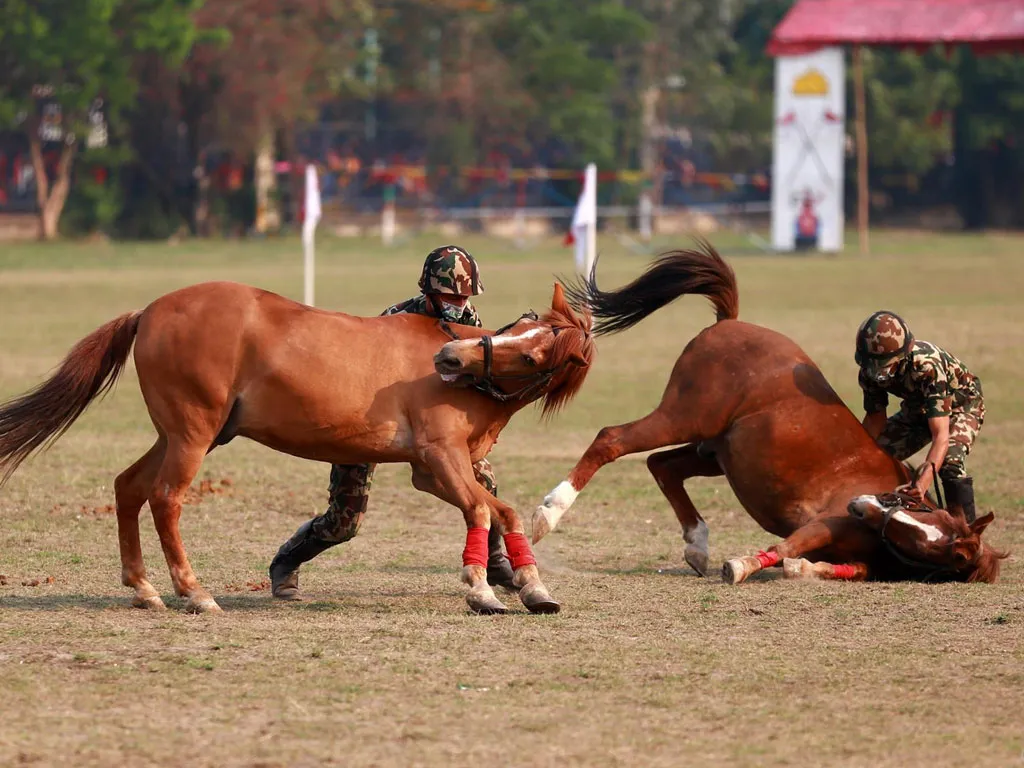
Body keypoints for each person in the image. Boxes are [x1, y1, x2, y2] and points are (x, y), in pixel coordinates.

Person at [269, 245, 516, 598]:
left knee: (484, 486)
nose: (458, 304)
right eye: (449, 295)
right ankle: (287, 562)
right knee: (345, 522)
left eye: (464, 296)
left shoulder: (470, 325)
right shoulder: (396, 317)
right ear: (429, 291)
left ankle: (494, 562)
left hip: (436, 430)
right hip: (370, 421)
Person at [855, 310, 984, 522]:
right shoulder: (869, 371)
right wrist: (858, 457)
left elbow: (940, 435)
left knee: (950, 463)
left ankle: (967, 535)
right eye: (872, 364)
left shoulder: (927, 366)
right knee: (877, 458)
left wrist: (922, 484)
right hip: (919, 410)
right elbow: (875, 418)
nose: (876, 372)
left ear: (901, 356)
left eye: (884, 364)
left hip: (960, 408)